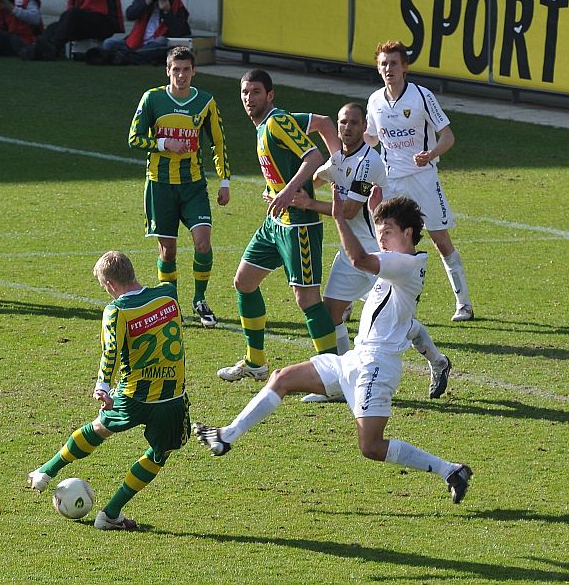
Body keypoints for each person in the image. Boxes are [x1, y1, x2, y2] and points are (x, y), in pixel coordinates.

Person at [194, 190, 473, 503]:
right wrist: (373, 214)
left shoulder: (404, 264)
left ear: (408, 233)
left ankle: (449, 470)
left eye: (388, 233)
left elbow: (359, 259)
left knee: (371, 447)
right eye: (379, 233)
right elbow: (376, 264)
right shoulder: (397, 262)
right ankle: (225, 437)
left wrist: (340, 217)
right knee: (282, 378)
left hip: (376, 369)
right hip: (352, 360)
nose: (381, 239)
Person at [289, 102, 452, 402]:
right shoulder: (341, 158)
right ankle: (437, 362)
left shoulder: (370, 162)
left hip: (374, 253)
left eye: (353, 122)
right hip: (356, 250)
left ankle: (338, 384)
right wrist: (324, 172)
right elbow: (316, 178)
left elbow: (349, 210)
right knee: (375, 318)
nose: (347, 128)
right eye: (342, 123)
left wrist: (309, 204)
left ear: (364, 127)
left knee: (338, 313)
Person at [28, 251, 191, 531]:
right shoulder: (169, 296)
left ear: (111, 284)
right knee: (158, 455)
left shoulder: (117, 310)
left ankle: (45, 471)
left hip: (132, 395)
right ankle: (111, 514)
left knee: (100, 428)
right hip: (170, 398)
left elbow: (111, 351)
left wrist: (102, 386)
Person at [216, 69, 342, 382]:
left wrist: (291, 190)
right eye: (245, 92)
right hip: (274, 223)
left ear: (270, 95)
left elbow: (312, 157)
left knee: (307, 300)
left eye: (256, 92)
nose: (249, 98)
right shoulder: (269, 124)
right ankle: (255, 361)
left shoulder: (276, 121)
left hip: (299, 225)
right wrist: (276, 190)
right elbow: (325, 123)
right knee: (244, 281)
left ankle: (334, 376)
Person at [365, 40, 474, 322]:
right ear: (378, 69)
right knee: (386, 239)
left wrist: (431, 154)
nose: (389, 69)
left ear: (405, 67)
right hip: (390, 181)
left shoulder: (422, 96)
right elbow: (372, 138)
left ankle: (464, 303)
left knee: (439, 239)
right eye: (384, 64)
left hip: (423, 179)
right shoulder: (375, 101)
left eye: (393, 63)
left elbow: (448, 136)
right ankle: (375, 298)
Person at [128, 47, 230, 328]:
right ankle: (171, 304)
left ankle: (199, 299)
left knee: (203, 242)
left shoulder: (205, 102)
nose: (181, 75)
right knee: (168, 251)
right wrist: (164, 144)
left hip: (193, 185)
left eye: (186, 70)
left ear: (194, 71)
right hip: (160, 186)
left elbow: (218, 143)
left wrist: (224, 181)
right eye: (176, 70)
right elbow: (134, 138)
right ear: (167, 71)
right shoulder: (153, 99)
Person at [91, 0, 189, 65]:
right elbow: (130, 15)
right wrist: (145, 3)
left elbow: (179, 31)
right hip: (136, 42)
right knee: (109, 43)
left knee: (162, 41)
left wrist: (167, 11)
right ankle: (132, 56)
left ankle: (126, 57)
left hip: (155, 44)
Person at [22, 0, 123, 61]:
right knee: (53, 27)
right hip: (81, 20)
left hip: (105, 22)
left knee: (72, 14)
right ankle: (36, 51)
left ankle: (52, 48)